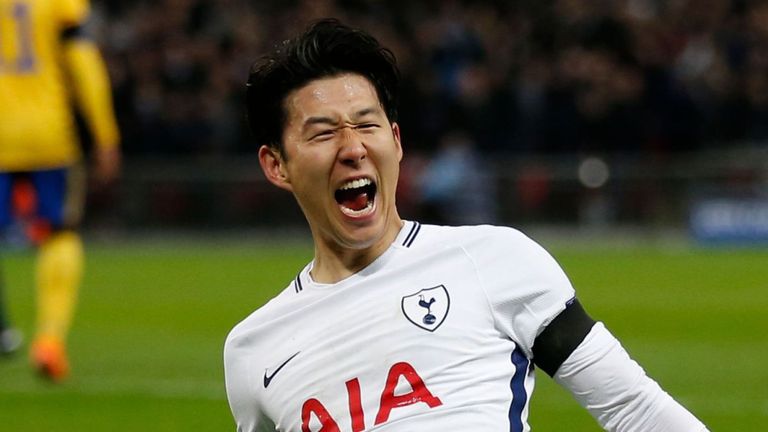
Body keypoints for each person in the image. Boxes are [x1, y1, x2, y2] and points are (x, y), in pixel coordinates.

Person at [224, 19, 709, 431]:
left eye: (367, 125)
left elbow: (635, 409)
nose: (352, 148)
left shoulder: (495, 260)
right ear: (276, 164)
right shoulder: (252, 351)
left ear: (395, 141)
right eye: (324, 132)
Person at [0, 0, 120, 381]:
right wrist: (105, 134)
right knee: (61, 233)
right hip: (49, 136)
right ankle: (49, 340)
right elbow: (83, 62)